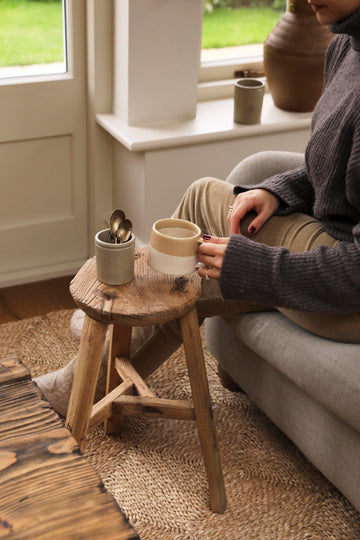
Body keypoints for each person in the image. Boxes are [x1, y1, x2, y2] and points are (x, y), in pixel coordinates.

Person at [35, 0, 360, 416]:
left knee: (202, 203)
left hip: (351, 296)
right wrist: (278, 190)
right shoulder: (344, 44)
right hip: (334, 239)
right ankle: (113, 342)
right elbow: (334, 166)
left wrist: (254, 267)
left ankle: (100, 354)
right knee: (188, 258)